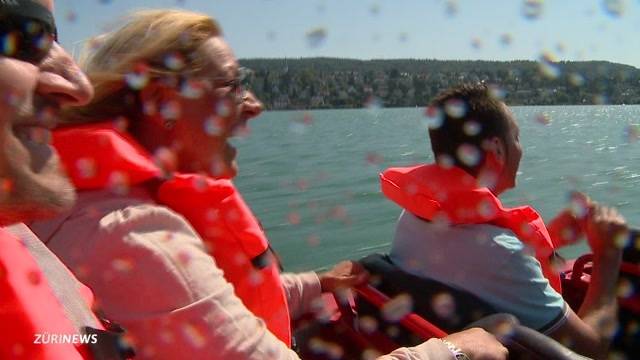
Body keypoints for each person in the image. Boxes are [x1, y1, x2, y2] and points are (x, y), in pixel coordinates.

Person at [27, 9, 508, 360]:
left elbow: (202, 302)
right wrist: (454, 352)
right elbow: (177, 287)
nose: (254, 105)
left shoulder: (81, 210)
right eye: (233, 85)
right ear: (163, 105)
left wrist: (315, 282)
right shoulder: (133, 239)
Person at [382, 83, 627, 359]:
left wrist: (550, 237)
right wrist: (608, 253)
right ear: (497, 150)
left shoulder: (413, 219)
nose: (520, 149)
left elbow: (476, 261)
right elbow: (591, 348)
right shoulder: (502, 254)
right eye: (517, 137)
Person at [0, 1, 133, 359]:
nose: (79, 87)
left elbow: (59, 337)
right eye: (27, 32)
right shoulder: (138, 229)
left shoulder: (15, 234)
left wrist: (126, 348)